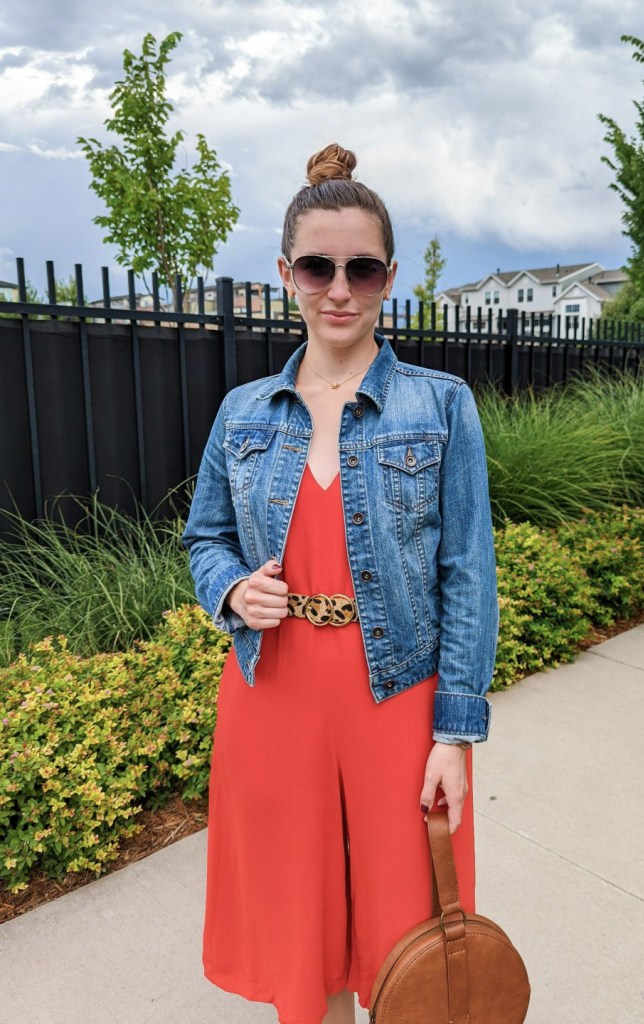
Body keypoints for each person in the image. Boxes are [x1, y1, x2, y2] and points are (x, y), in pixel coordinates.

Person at [181, 143, 498, 1024]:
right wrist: (232, 591)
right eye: (318, 266)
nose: (339, 289)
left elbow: (468, 572)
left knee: (407, 939)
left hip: (396, 697)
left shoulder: (439, 405)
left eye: (361, 268)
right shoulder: (243, 410)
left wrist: (455, 733)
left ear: (388, 276)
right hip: (271, 695)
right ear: (286, 273)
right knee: (300, 926)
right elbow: (202, 536)